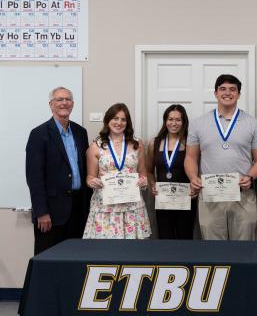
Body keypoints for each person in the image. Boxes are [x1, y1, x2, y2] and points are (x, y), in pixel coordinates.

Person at [185, 74, 257, 240]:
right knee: (214, 250)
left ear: (238, 94)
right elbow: (190, 157)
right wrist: (193, 177)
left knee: (244, 248)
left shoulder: (253, 123)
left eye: (232, 89)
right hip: (210, 195)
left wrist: (250, 177)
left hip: (242, 194)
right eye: (222, 89)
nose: (227, 93)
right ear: (215, 93)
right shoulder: (198, 123)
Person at [25, 87, 90, 254]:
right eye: (60, 99)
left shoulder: (81, 132)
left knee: (75, 258)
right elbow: (34, 177)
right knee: (48, 259)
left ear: (73, 104)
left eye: (68, 99)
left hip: (78, 209)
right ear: (51, 104)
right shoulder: (39, 134)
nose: (64, 103)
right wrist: (41, 212)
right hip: (51, 213)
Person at [83, 103, 150, 239]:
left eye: (123, 119)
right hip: (105, 207)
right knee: (105, 253)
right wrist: (92, 182)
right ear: (108, 120)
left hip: (132, 206)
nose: (119, 122)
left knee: (133, 252)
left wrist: (144, 181)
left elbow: (144, 173)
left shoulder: (138, 144)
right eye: (115, 118)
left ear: (127, 122)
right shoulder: (96, 146)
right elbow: (89, 178)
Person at [147, 104, 196, 239]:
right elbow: (149, 171)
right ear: (165, 121)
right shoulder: (154, 143)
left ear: (184, 122)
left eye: (178, 120)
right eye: (170, 119)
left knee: (185, 237)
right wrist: (152, 185)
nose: (174, 123)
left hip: (186, 198)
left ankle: (185, 261)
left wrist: (195, 187)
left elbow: (199, 170)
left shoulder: (191, 143)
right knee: (165, 237)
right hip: (163, 199)